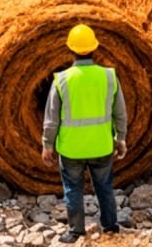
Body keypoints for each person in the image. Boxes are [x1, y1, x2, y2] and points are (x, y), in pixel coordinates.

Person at [42, 25, 127, 243]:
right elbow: (120, 113)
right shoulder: (109, 76)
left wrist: (47, 145)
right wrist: (121, 138)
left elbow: (51, 118)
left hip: (71, 148)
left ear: (70, 49)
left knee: (72, 189)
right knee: (105, 188)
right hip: (101, 145)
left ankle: (75, 231)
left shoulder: (61, 80)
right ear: (94, 49)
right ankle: (110, 226)